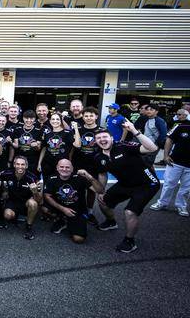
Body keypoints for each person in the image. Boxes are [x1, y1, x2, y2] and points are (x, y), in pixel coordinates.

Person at [94, 121, 160, 253]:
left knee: (129, 212)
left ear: (111, 138)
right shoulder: (99, 156)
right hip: (125, 184)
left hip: (146, 184)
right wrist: (101, 191)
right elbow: (102, 174)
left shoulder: (124, 146)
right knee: (102, 201)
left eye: (105, 137)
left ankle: (130, 241)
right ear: (96, 141)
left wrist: (134, 131)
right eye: (99, 138)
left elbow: (152, 148)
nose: (102, 140)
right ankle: (111, 222)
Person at [44, 159, 104, 244]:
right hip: (60, 208)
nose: (64, 169)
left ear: (72, 169)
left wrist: (89, 177)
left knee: (79, 239)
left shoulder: (80, 178)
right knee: (44, 209)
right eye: (61, 167)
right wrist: (63, 209)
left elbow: (100, 191)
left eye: (67, 167)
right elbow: (47, 196)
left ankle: (69, 221)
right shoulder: (51, 179)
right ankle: (62, 220)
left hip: (77, 210)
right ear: (57, 168)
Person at [150, 112, 190, 216]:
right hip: (175, 162)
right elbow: (169, 139)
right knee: (169, 184)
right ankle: (162, 203)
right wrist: (166, 156)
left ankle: (181, 206)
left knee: (186, 188)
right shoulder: (181, 126)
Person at [0, 156, 43, 240]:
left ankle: (29, 226)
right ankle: (18, 216)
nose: (20, 166)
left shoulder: (33, 178)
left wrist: (35, 192)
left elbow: (39, 201)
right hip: (12, 201)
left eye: (23, 164)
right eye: (18, 164)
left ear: (26, 166)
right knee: (7, 215)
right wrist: (4, 190)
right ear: (14, 165)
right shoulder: (7, 173)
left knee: (33, 204)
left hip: (26, 202)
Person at [72, 107, 102, 223]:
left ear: (96, 117)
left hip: (94, 165)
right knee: (77, 188)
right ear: (83, 117)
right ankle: (79, 210)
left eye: (91, 116)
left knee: (91, 190)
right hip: (78, 163)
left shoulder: (101, 130)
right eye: (86, 116)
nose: (88, 118)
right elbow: (73, 147)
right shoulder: (78, 129)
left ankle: (90, 212)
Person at [38, 113, 78, 180]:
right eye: (53, 119)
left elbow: (76, 145)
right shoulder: (47, 134)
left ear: (61, 121)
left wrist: (76, 129)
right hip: (47, 164)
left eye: (57, 119)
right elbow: (44, 148)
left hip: (62, 166)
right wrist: (39, 163)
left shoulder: (68, 133)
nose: (55, 121)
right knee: (47, 183)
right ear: (50, 121)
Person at [12, 110, 43, 175]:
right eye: (26, 118)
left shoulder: (38, 130)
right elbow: (16, 146)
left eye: (31, 118)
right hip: (19, 160)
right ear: (23, 118)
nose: (29, 120)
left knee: (32, 177)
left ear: (34, 119)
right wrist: (10, 142)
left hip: (32, 160)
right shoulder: (18, 129)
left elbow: (38, 148)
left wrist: (35, 146)